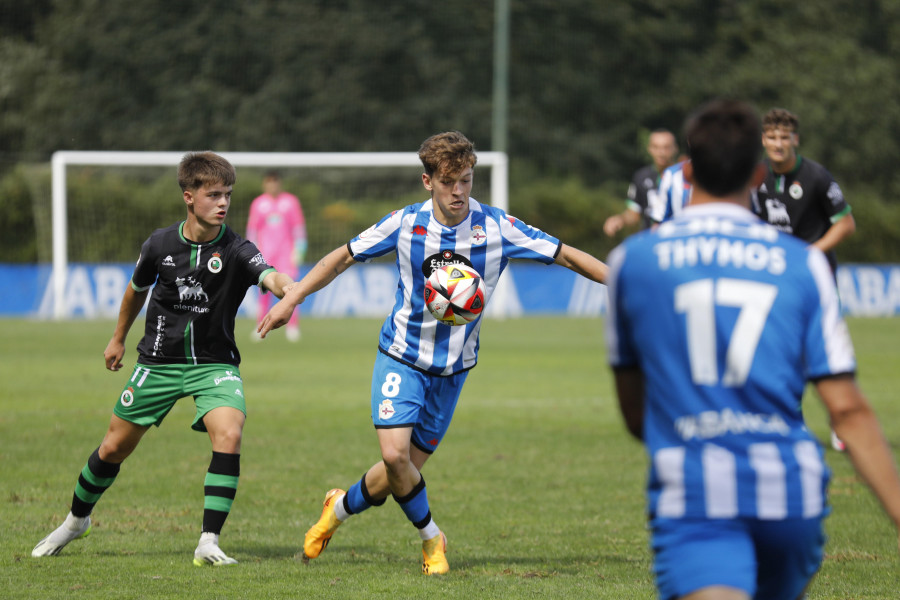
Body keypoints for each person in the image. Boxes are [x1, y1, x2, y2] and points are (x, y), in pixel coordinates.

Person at [258, 131, 608, 575]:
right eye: (448, 183)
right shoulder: (404, 224)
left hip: (453, 370)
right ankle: (432, 540)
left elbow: (569, 257)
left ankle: (337, 508)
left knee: (398, 474)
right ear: (428, 181)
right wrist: (292, 298)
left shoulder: (498, 227)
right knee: (394, 457)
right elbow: (342, 257)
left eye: (465, 180)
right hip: (401, 355)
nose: (458, 191)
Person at [604, 98, 900, 600]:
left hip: (697, 494)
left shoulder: (633, 262)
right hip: (792, 495)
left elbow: (635, 414)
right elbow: (847, 410)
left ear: (687, 169)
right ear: (759, 173)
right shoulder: (803, 266)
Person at [32, 152, 295, 566]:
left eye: (227, 194)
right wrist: (117, 338)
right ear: (189, 197)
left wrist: (288, 289)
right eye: (213, 195)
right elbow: (136, 289)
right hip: (156, 362)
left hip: (214, 364)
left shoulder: (238, 249)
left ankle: (208, 541)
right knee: (113, 448)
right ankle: (76, 520)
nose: (223, 202)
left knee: (229, 433)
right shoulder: (159, 245)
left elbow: (271, 275)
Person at [756, 107, 856, 451]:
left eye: (785, 137)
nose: (778, 143)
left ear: (795, 139)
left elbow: (845, 223)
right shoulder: (756, 178)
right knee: (780, 356)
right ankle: (791, 425)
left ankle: (841, 425)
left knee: (824, 355)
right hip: (775, 282)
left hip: (817, 281)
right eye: (772, 137)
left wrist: (812, 253)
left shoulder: (816, 176)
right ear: (763, 140)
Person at [246, 170, 307, 342]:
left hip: (286, 254)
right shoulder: (258, 204)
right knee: (263, 290)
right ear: (265, 184)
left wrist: (299, 250)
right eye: (269, 182)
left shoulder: (291, 202)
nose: (272, 185)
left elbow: (298, 228)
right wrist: (252, 252)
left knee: (291, 290)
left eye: (275, 181)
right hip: (264, 254)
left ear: (279, 183)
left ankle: (292, 326)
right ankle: (261, 325)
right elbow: (252, 230)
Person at [603, 128, 678, 236]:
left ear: (675, 148)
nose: (661, 152)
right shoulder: (641, 177)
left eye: (666, 147)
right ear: (649, 149)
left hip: (676, 240)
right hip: (650, 241)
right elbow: (634, 214)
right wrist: (620, 219)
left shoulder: (684, 176)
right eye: (656, 147)